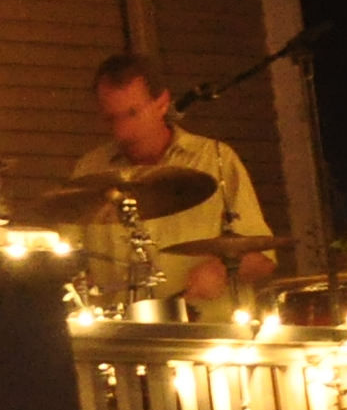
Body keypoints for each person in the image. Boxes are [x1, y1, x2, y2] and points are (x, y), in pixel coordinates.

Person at [74, 50, 280, 309]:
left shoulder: (216, 160)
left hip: (207, 330)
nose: (122, 130)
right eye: (111, 118)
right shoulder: (89, 171)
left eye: (132, 113)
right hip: (120, 330)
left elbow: (263, 258)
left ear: (162, 103)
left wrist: (222, 270)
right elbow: (68, 261)